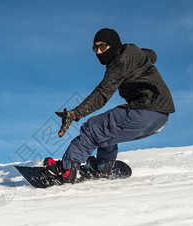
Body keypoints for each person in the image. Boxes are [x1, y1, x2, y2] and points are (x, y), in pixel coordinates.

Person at [45, 28, 175, 183]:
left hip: (144, 111)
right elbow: (151, 55)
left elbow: (103, 93)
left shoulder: (119, 61)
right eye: (95, 48)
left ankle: (67, 169)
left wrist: (76, 113)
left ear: (113, 46)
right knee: (107, 130)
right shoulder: (133, 54)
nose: (99, 52)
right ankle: (103, 167)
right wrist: (143, 55)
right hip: (161, 117)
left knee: (93, 129)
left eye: (103, 47)